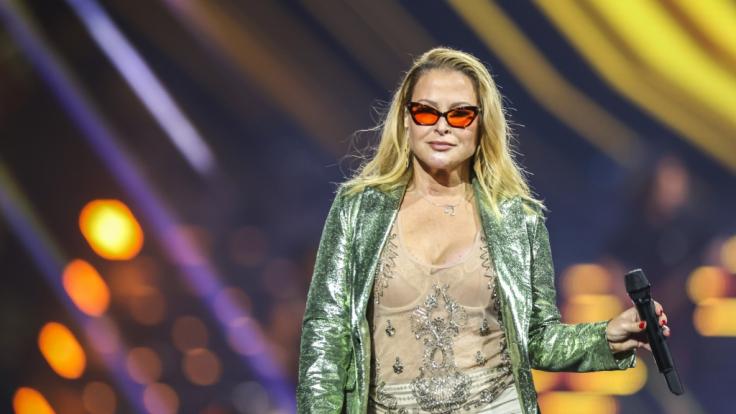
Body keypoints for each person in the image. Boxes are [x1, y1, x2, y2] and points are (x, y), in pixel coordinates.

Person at [297, 47, 670, 414]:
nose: (442, 126)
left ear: (481, 124)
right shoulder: (360, 210)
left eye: (459, 114)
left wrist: (607, 336)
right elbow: (325, 335)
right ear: (405, 120)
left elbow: (538, 338)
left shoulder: (517, 219)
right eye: (426, 112)